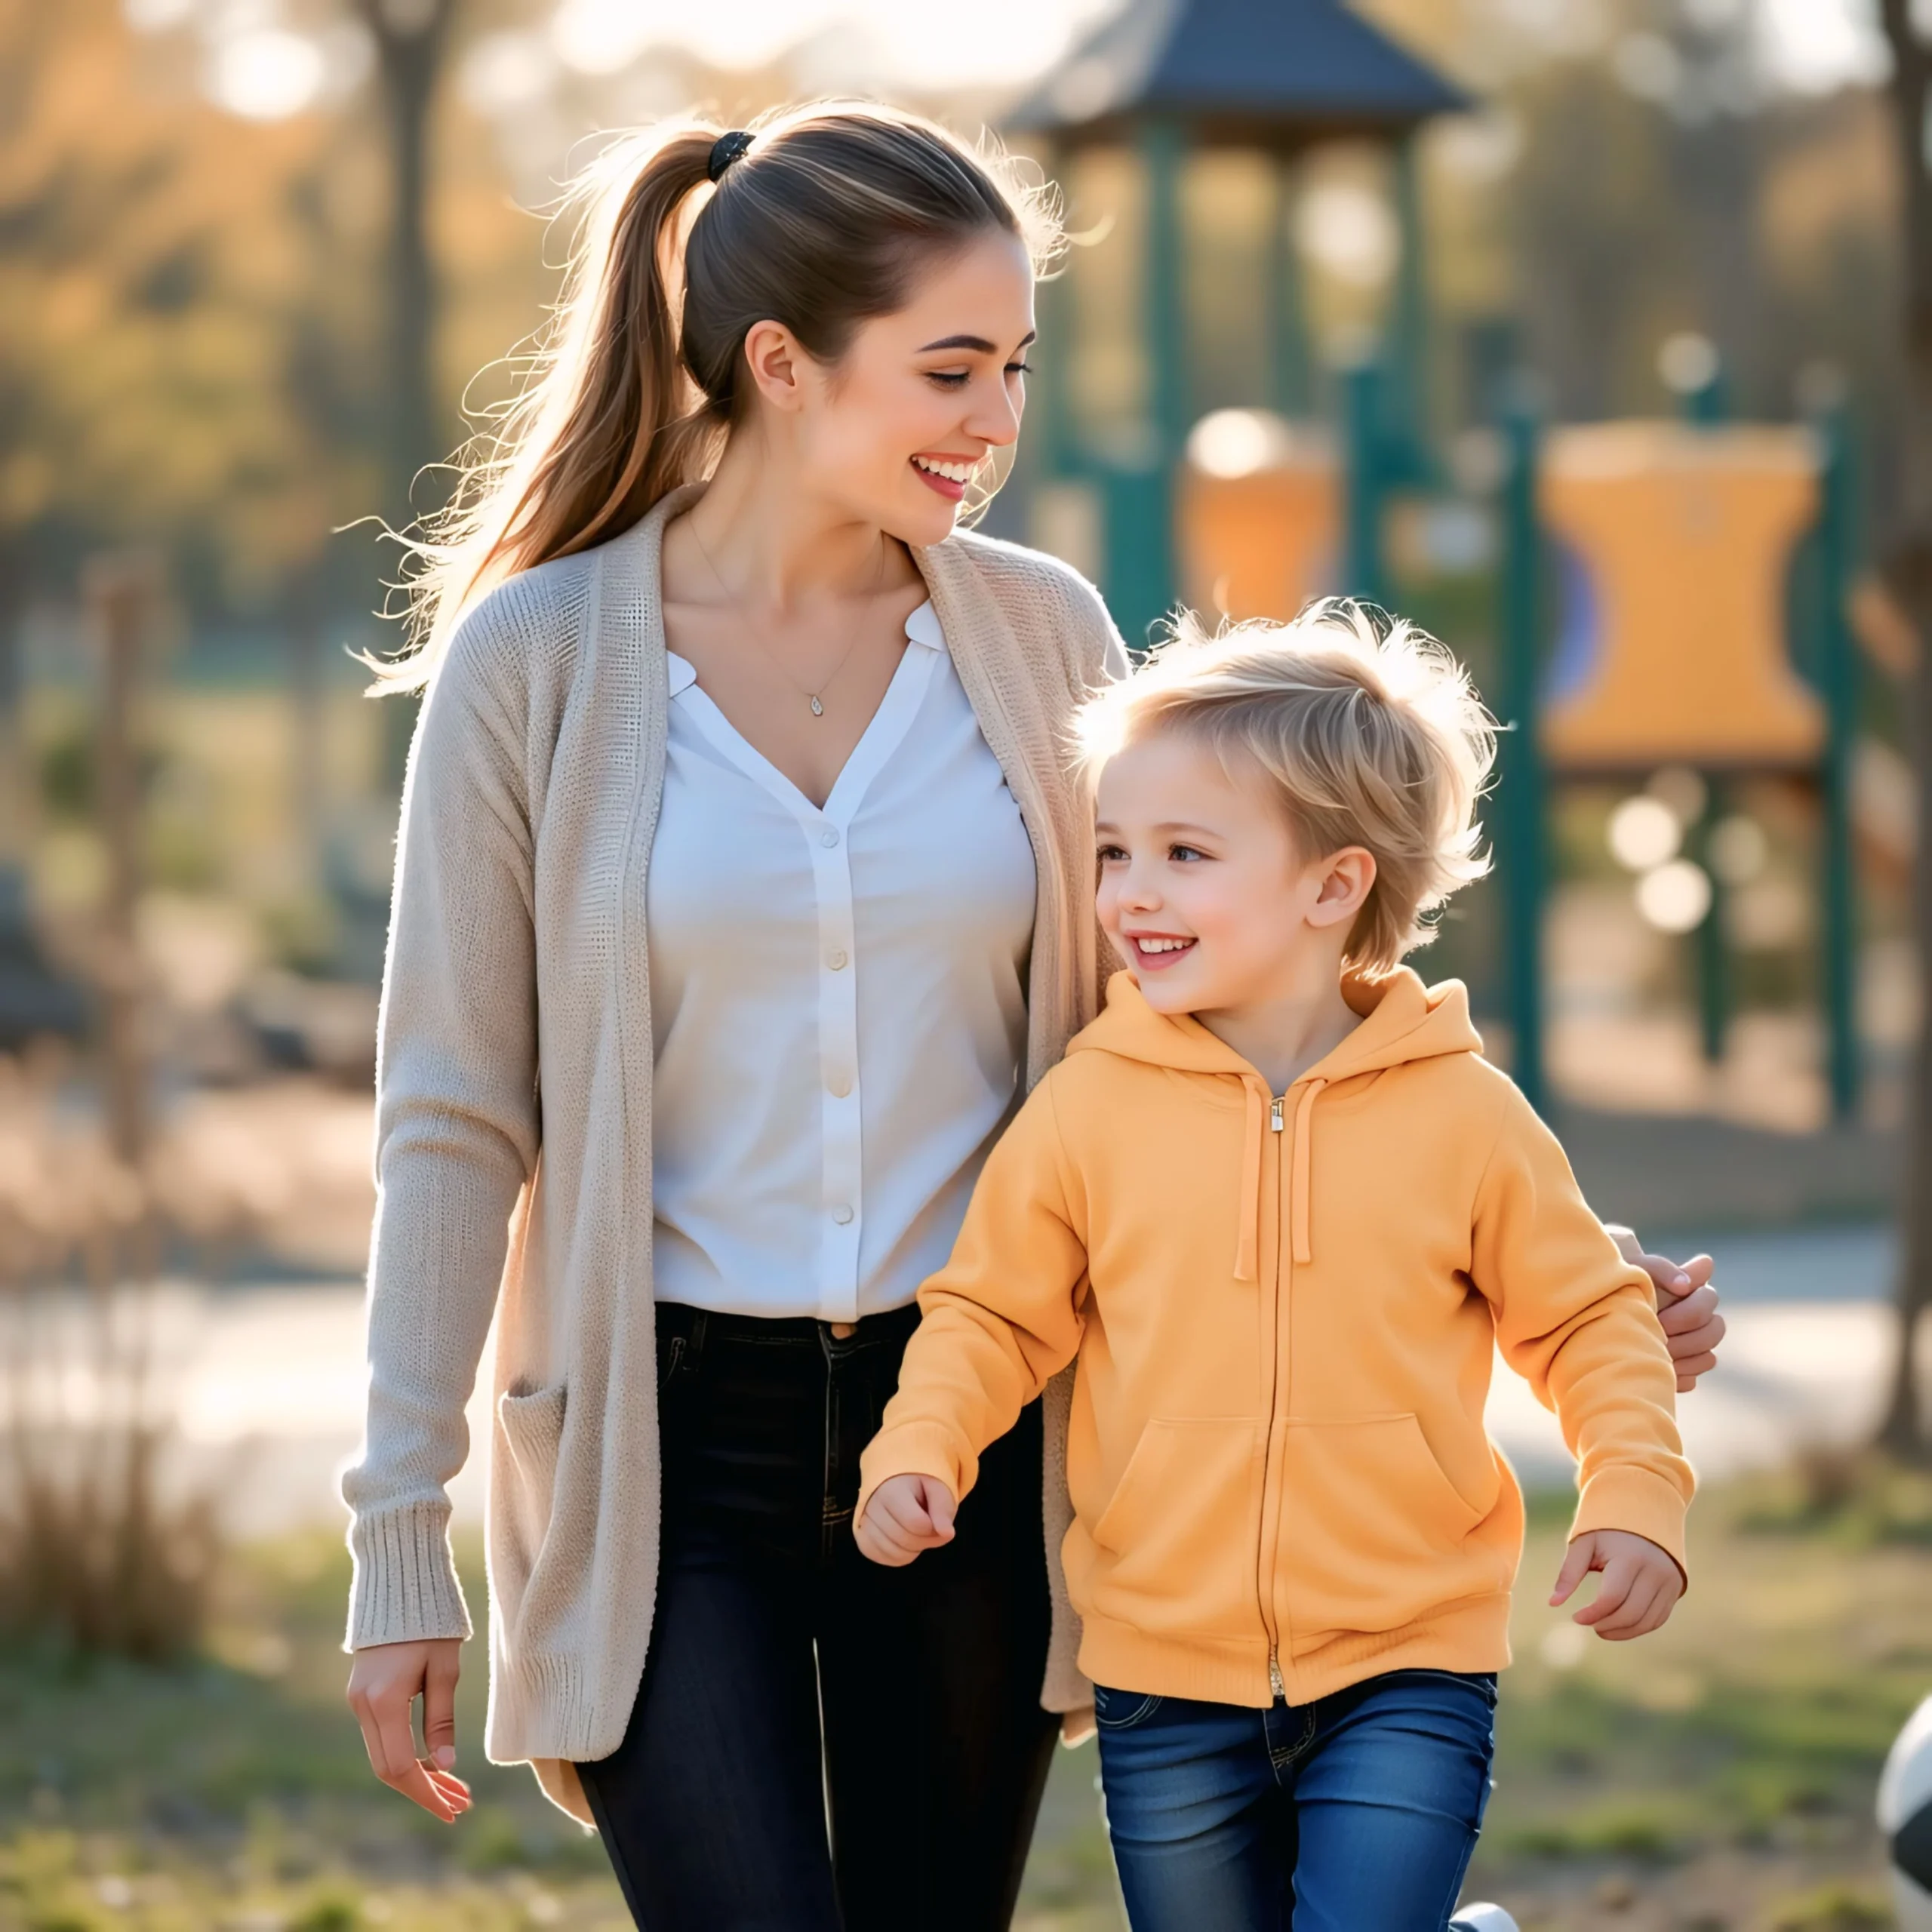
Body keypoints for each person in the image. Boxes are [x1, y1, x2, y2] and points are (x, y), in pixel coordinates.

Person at [337, 102, 1724, 1932]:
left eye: (1014, 364)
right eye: (947, 368)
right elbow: (454, 1114)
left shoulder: (1043, 638)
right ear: (778, 361)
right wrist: (395, 1532)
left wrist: (1544, 1252)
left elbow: (1211, 995)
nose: (995, 421)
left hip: (977, 1427)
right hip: (662, 1452)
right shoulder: (538, 665)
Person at [856, 602, 1695, 1932]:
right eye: (1116, 849)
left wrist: (1635, 1495)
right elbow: (991, 1316)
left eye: (1187, 854)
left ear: (1333, 886)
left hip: (1410, 1658)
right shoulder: (1089, 1107)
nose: (1132, 891)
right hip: (1163, 1671)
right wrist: (921, 1448)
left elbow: (1591, 1319)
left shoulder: (1464, 1114)